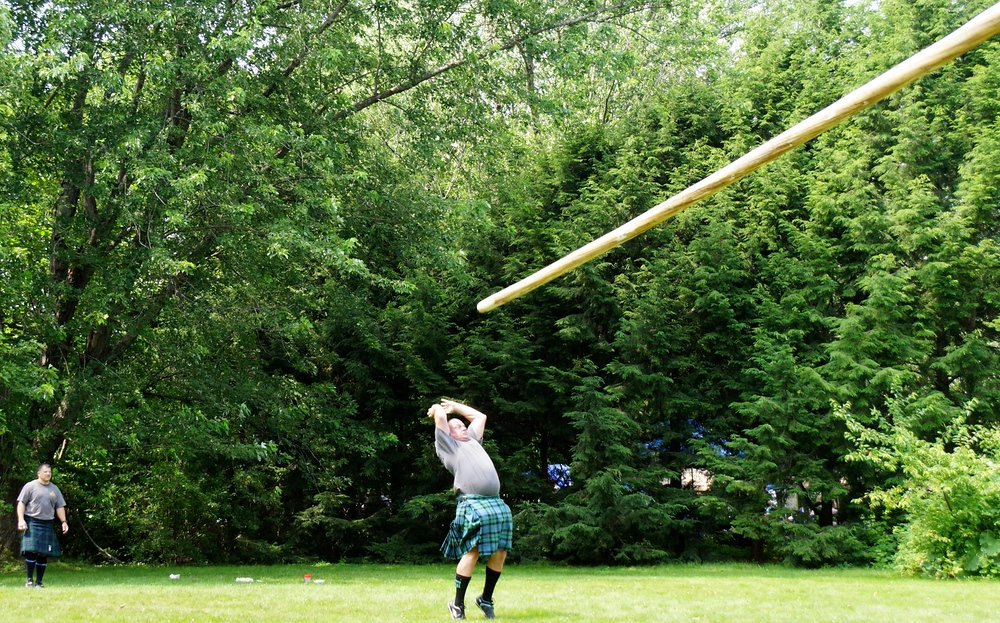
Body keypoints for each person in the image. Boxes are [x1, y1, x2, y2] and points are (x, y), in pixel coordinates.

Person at [428, 399, 512, 620]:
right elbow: (439, 419)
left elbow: (480, 417)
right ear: (448, 433)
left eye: (463, 425)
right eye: (457, 426)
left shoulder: (472, 440)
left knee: (501, 551)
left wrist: (455, 407)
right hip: (472, 503)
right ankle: (457, 605)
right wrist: (438, 409)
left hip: (495, 503)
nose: (463, 427)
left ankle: (485, 599)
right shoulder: (448, 447)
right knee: (472, 552)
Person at [16, 463, 69, 588]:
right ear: (39, 473)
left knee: (43, 554)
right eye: (45, 471)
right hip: (32, 521)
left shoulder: (54, 489)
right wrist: (21, 520)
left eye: (50, 472)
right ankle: (29, 581)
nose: (48, 474)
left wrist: (64, 522)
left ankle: (39, 583)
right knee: (31, 552)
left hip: (47, 523)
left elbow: (60, 506)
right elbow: (21, 503)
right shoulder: (30, 486)